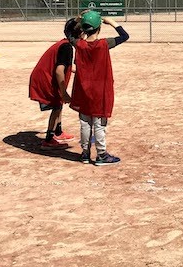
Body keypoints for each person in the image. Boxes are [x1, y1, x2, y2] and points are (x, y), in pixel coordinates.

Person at [70, 11, 130, 166]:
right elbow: (124, 36)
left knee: (85, 123)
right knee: (99, 123)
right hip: (100, 90)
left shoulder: (79, 44)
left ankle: (85, 154)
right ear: (99, 28)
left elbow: (68, 31)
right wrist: (112, 22)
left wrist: (77, 19)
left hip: (83, 89)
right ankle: (101, 154)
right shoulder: (104, 44)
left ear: (84, 29)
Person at [28, 17, 81, 149]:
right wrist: (63, 92)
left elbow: (66, 66)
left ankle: (58, 132)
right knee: (57, 106)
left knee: (59, 104)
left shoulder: (65, 43)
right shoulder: (67, 47)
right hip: (45, 79)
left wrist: (82, 71)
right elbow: (59, 70)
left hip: (44, 76)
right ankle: (48, 140)